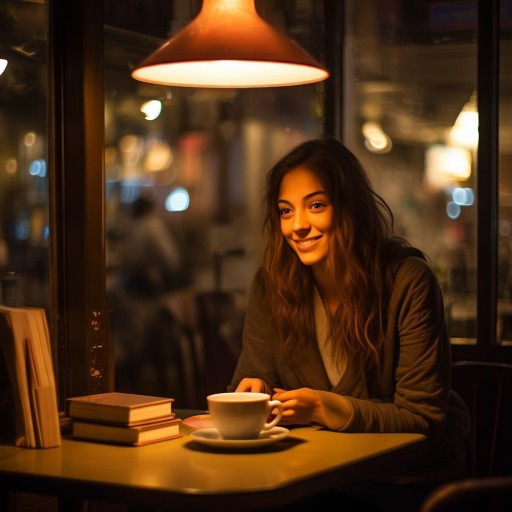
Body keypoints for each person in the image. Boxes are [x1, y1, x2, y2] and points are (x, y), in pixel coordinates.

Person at [228, 137, 470, 511]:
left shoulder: (407, 279)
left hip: (406, 481)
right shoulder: (273, 282)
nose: (298, 226)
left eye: (316, 206)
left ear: (350, 206)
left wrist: (324, 408)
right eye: (286, 211)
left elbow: (423, 417)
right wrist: (253, 393)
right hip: (314, 475)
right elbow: (252, 377)